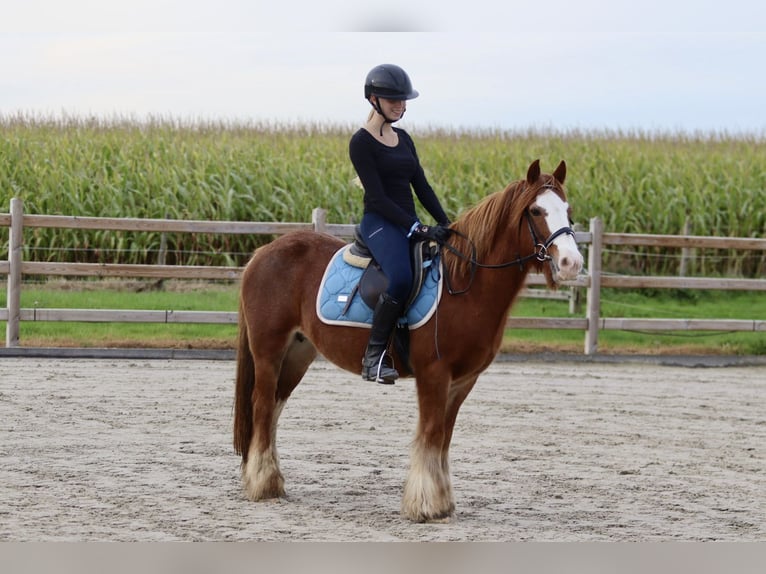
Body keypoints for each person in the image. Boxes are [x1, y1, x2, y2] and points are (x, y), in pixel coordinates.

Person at [349, 63, 452, 384]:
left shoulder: (404, 139)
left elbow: (421, 187)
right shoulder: (361, 143)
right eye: (393, 99)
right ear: (373, 100)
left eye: (403, 100)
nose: (400, 105)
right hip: (380, 223)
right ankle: (373, 358)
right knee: (401, 279)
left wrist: (446, 222)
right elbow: (378, 199)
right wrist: (416, 229)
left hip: (407, 221)